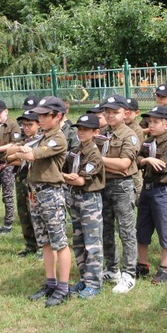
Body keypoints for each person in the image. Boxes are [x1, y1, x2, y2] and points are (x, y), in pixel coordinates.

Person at [8, 97, 71, 307]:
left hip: (51, 193)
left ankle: (63, 287)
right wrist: (19, 151)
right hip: (36, 192)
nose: (40, 119)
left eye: (45, 115)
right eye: (40, 115)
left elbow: (32, 155)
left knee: (60, 242)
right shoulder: (43, 137)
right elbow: (13, 154)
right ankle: (50, 282)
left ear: (58, 116)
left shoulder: (57, 138)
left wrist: (21, 151)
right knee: (44, 241)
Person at [99, 95, 140, 293]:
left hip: (122, 186)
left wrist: (99, 160)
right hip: (103, 184)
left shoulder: (129, 135)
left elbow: (125, 165)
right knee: (106, 228)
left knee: (126, 230)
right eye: (107, 111)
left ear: (125, 113)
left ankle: (129, 273)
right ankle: (112, 268)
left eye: (115, 112)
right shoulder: (102, 133)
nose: (110, 115)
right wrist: (110, 165)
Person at [136, 106, 167, 284]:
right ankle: (142, 264)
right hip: (146, 190)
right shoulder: (147, 141)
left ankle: (164, 267)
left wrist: (147, 162)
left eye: (155, 122)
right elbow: (137, 159)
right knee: (142, 228)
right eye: (149, 122)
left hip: (162, 191)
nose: (150, 125)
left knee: (164, 228)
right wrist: (145, 160)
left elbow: (164, 166)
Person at [63, 114, 105, 299]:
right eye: (79, 129)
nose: (81, 132)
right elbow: (67, 172)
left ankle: (94, 283)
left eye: (86, 130)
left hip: (89, 200)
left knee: (92, 243)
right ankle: (84, 278)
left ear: (96, 132)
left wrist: (62, 177)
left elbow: (80, 180)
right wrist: (65, 176)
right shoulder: (76, 151)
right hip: (75, 198)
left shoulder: (94, 154)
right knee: (78, 241)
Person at [10, 110, 43, 257]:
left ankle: (43, 246)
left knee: (37, 213)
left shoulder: (42, 140)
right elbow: (7, 156)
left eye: (30, 124)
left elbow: (34, 158)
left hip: (36, 181)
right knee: (24, 212)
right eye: (23, 125)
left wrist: (18, 156)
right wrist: (18, 151)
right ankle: (30, 245)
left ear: (39, 124)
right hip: (21, 179)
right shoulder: (24, 141)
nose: (26, 128)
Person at [0, 100, 21, 234]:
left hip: (7, 165)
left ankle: (8, 224)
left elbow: (15, 143)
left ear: (6, 111)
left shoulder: (13, 126)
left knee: (7, 196)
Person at [124, 97, 145, 202]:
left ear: (136, 113)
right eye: (124, 111)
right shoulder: (120, 127)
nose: (126, 115)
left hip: (133, 169)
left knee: (137, 199)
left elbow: (135, 153)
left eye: (129, 112)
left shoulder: (137, 130)